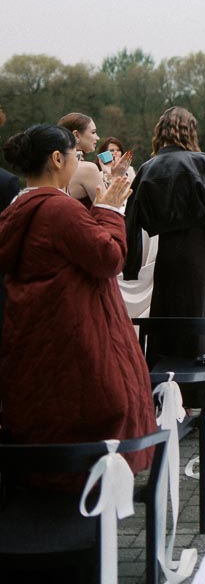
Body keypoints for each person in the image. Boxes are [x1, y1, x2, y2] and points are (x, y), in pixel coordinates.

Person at [0, 123, 156, 462]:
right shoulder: (60, 209)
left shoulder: (16, 207)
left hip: (37, 334)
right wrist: (110, 212)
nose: (77, 160)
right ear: (58, 159)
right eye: (74, 155)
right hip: (74, 335)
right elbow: (109, 258)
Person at [125, 107, 205, 357]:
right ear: (190, 131)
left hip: (166, 249)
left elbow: (130, 220)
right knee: (200, 309)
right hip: (198, 247)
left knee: (167, 308)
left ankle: (164, 376)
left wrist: (130, 265)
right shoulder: (200, 162)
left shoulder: (147, 168)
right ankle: (198, 378)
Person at [58, 111, 104, 206]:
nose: (97, 138)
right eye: (93, 132)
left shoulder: (52, 166)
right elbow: (109, 210)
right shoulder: (88, 169)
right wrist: (117, 176)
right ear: (76, 135)